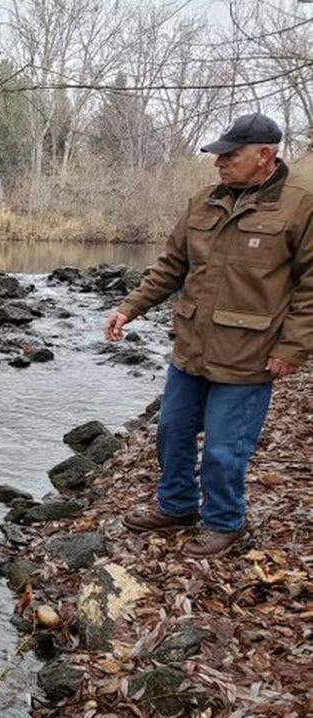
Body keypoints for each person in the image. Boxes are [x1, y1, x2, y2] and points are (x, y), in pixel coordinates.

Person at [104, 113, 311, 558]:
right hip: (191, 347)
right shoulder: (203, 201)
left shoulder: (301, 205)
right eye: (218, 155)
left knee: (224, 448)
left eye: (229, 155)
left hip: (249, 354)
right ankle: (177, 506)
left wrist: (293, 347)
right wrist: (129, 309)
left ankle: (225, 523)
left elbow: (310, 286)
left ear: (265, 156)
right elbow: (171, 267)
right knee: (172, 431)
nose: (219, 163)